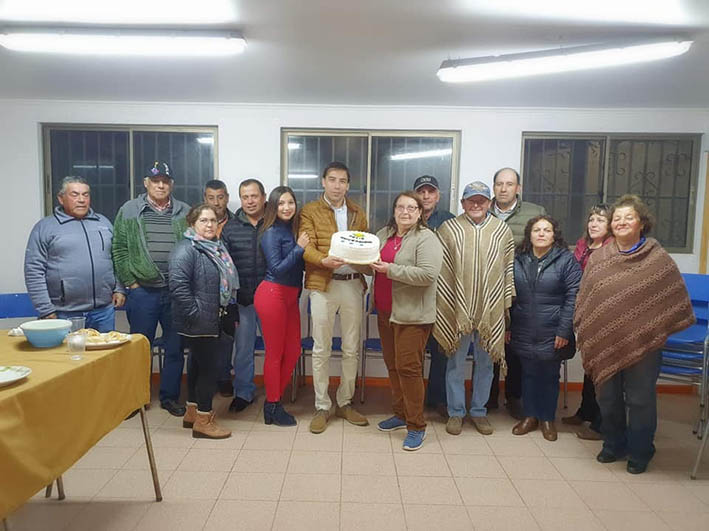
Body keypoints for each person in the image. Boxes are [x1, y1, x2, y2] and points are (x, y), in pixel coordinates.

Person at [575, 194, 694, 474]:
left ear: (642, 223)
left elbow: (673, 298)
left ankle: (641, 450)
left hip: (645, 343)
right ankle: (613, 444)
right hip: (605, 341)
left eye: (629, 217)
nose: (622, 222)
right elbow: (586, 297)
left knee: (640, 399)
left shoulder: (657, 259)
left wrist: (652, 326)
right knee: (608, 397)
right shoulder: (599, 258)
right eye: (617, 218)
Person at [433, 181, 515, 436]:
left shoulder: (501, 231)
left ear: (489, 203)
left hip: (490, 308)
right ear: (463, 203)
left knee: (486, 363)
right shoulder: (449, 229)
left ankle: (479, 411)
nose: (476, 204)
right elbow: (442, 270)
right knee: (455, 362)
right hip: (457, 308)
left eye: (481, 200)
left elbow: (507, 269)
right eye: (471, 200)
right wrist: (447, 303)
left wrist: (503, 303)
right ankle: (456, 412)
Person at [113, 161, 189, 416]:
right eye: (156, 181)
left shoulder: (184, 211)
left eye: (165, 181)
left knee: (175, 348)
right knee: (139, 348)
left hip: (175, 292)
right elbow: (119, 249)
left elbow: (193, 247)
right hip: (143, 292)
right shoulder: (129, 210)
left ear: (172, 185)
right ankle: (137, 398)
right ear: (146, 183)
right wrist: (131, 283)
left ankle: (170, 398)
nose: (160, 185)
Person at [300, 161, 369, 434]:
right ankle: (322, 405)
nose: (337, 185)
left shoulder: (357, 212)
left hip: (352, 284)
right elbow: (306, 248)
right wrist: (323, 261)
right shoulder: (310, 211)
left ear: (348, 185)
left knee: (351, 347)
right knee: (321, 348)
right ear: (323, 182)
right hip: (322, 284)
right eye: (332, 179)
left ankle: (345, 402)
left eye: (342, 181)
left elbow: (366, 246)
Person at [372, 191, 442, 451]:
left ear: (420, 212)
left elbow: (427, 274)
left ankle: (416, 426)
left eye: (412, 208)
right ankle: (401, 414)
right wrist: (354, 260)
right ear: (394, 210)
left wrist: (390, 269)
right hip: (385, 312)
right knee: (393, 366)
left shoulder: (426, 238)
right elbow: (370, 263)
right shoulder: (383, 234)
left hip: (413, 316)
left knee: (409, 369)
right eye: (400, 207)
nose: (405, 212)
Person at [508, 216, 581, 441]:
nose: (541, 234)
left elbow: (573, 297)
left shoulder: (566, 260)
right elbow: (508, 295)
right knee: (528, 374)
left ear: (554, 235)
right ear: (529, 234)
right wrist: (508, 326)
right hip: (523, 327)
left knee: (549, 375)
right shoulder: (518, 259)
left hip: (553, 329)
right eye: (536, 230)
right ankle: (530, 416)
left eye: (546, 230)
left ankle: (547, 418)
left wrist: (564, 330)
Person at [169, 204, 239, 439]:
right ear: (192, 223)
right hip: (200, 320)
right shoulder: (186, 249)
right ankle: (204, 421)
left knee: (197, 366)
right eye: (203, 220)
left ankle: (192, 413)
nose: (209, 225)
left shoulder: (216, 248)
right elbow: (178, 287)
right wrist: (197, 314)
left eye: (213, 220)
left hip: (213, 318)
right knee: (209, 370)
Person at [24, 176, 125, 330]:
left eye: (85, 194)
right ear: (61, 198)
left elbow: (116, 259)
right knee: (67, 347)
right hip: (63, 313)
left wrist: (119, 289)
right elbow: (33, 271)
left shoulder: (103, 223)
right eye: (75, 195)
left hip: (103, 312)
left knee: (105, 347)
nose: (81, 200)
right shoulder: (45, 228)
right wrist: (45, 309)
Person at [488, 167, 547, 419]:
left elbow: (544, 246)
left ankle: (514, 396)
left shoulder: (535, 212)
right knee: (488, 341)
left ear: (518, 188)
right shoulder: (481, 209)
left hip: (521, 289)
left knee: (515, 345)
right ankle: (488, 396)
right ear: (494, 187)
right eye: (499, 184)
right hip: (488, 289)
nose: (504, 189)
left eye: (509, 184)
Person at [254, 186, 309, 426]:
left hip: (290, 296)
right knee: (275, 353)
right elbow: (277, 269)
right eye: (281, 203)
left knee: (293, 350)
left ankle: (273, 401)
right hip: (272, 294)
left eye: (290, 203)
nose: (287, 208)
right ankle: (273, 404)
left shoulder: (294, 230)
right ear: (273, 207)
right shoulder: (270, 232)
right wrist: (299, 248)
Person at [561, 204, 612, 440]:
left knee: (603, 369)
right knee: (589, 365)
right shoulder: (583, 247)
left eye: (600, 220)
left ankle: (602, 423)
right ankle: (586, 411)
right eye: (592, 219)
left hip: (605, 316)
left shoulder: (613, 249)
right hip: (585, 314)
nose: (594, 224)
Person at [221, 179, 267, 413]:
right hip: (243, 300)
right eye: (245, 197)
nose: (250, 201)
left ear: (263, 197)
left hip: (270, 301)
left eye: (254, 196)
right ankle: (243, 392)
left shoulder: (274, 224)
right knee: (243, 350)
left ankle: (276, 392)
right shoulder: (230, 228)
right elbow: (225, 267)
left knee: (274, 350)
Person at [413, 175, 454, 417]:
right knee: (414, 352)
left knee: (441, 350)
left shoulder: (450, 221)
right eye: (421, 191)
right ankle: (414, 400)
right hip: (414, 294)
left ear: (438, 196)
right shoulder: (408, 218)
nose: (426, 196)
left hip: (442, 295)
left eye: (431, 191)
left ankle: (438, 399)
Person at [203, 179, 237, 398]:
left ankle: (224, 377)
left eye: (220, 197)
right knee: (204, 339)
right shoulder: (198, 222)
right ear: (205, 199)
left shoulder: (236, 223)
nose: (216, 202)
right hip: (204, 291)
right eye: (211, 198)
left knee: (226, 338)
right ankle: (205, 380)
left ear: (227, 198)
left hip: (228, 293)